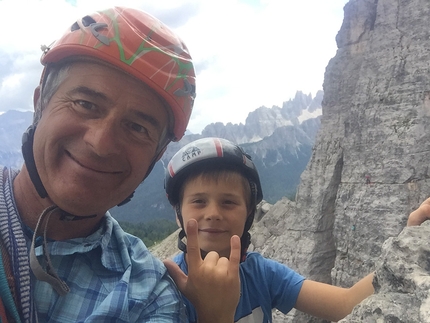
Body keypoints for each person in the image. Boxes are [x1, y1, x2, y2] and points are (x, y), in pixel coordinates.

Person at [0, 6, 197, 322]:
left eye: (137, 127)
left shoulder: (147, 299)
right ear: (40, 103)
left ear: (155, 157)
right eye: (85, 104)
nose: (101, 142)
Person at [163, 137, 376, 323]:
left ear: (249, 214)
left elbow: (345, 304)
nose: (213, 213)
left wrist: (408, 236)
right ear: (178, 214)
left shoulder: (261, 273)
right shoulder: (164, 288)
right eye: (199, 201)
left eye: (228, 202)